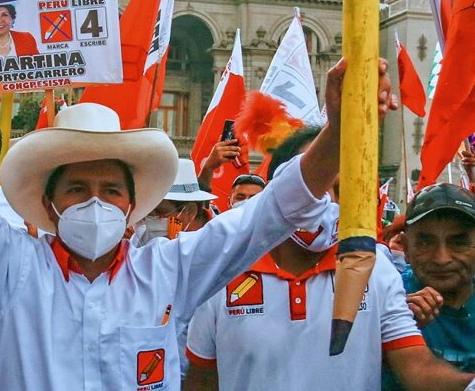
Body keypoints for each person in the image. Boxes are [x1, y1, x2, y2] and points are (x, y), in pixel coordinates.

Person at [0, 1, 392, 390]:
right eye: (78, 190)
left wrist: (341, 131)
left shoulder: (171, 269)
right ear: (49, 205)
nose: (95, 203)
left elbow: (275, 208)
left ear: (132, 206)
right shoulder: (8, 266)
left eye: (109, 191)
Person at [183, 132, 475, 391]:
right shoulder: (223, 271)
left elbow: (417, 368)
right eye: (316, 187)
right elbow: (202, 380)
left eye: (341, 190)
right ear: (281, 190)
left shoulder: (374, 267)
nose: (329, 202)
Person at [400, 184, 475, 372]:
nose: (442, 259)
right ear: (406, 248)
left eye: (458, 242)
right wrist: (394, 328)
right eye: (425, 242)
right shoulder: (387, 300)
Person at [137, 158, 217, 245]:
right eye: (148, 212)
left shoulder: (219, 243)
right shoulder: (141, 240)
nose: (150, 219)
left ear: (190, 211)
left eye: (160, 211)